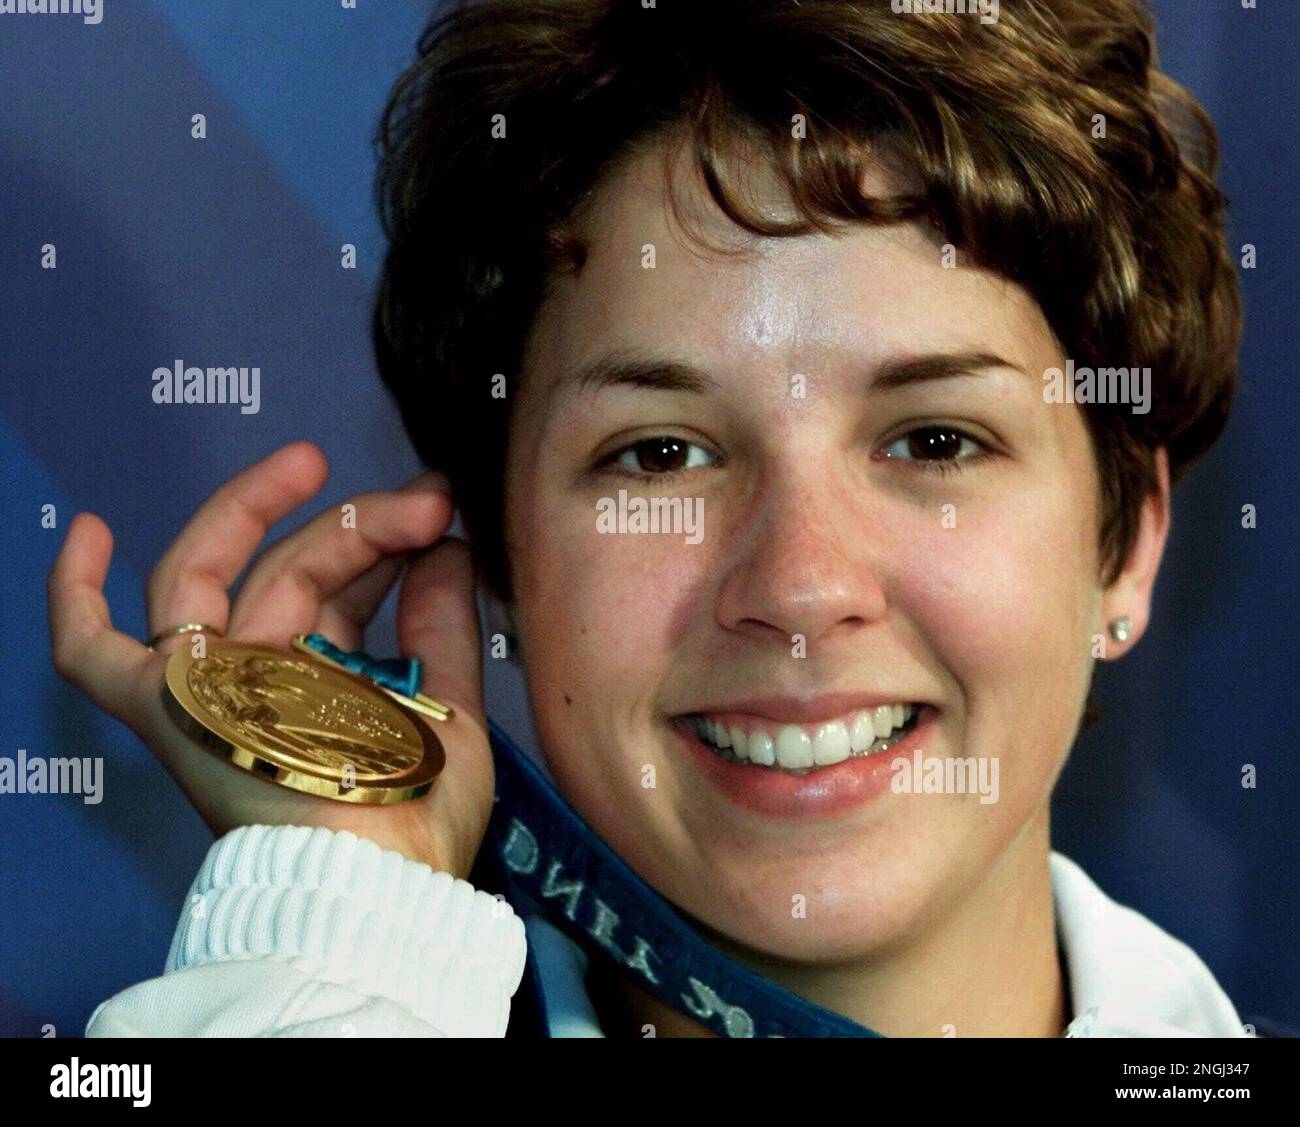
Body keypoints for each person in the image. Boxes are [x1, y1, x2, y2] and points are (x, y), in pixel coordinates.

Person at [49, 0, 1267, 1037]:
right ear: (501, 559)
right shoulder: (316, 991)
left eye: (934, 440)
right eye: (660, 453)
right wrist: (328, 931)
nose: (798, 586)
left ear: (1125, 542)